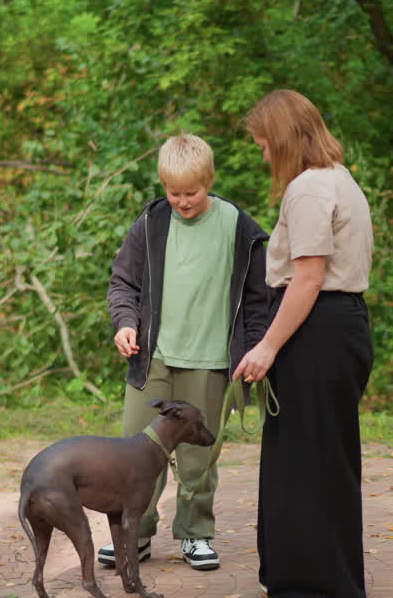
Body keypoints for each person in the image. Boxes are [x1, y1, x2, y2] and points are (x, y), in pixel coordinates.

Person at [233, 90, 374, 598]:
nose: (265, 156)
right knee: (320, 457)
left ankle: (318, 585)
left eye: (265, 145)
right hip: (336, 328)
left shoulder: (310, 189)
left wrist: (268, 346)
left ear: (286, 140)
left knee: (309, 460)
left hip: (316, 330)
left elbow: (309, 277)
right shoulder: (341, 179)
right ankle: (322, 577)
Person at [103, 133, 270, 571]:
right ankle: (132, 537)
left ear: (209, 181)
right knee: (138, 452)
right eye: (172, 192)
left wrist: (253, 351)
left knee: (198, 457)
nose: (182, 201)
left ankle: (196, 534)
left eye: (191, 193)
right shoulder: (151, 222)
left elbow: (258, 298)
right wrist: (125, 323)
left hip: (212, 362)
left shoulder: (238, 227)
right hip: (153, 359)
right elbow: (124, 282)